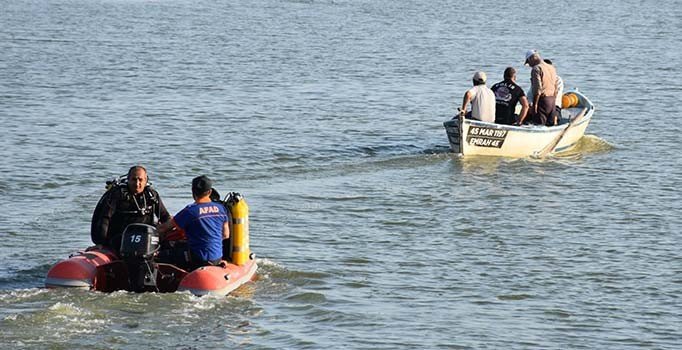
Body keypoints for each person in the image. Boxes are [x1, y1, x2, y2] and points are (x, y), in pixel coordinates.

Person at [91, 165, 171, 256]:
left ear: (146, 181)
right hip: (121, 238)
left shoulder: (152, 196)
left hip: (146, 238)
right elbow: (104, 219)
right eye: (134, 179)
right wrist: (100, 243)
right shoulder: (117, 194)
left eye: (140, 180)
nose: (137, 184)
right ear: (128, 179)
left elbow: (165, 217)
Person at [157, 175, 229, 270]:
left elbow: (163, 228)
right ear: (210, 192)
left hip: (197, 259)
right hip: (217, 258)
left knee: (160, 254)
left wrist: (149, 231)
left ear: (193, 192)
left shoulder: (190, 211)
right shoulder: (221, 209)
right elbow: (226, 235)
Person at [521, 50, 558, 126]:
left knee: (538, 126)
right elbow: (556, 86)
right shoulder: (551, 67)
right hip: (552, 100)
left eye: (528, 62)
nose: (530, 65)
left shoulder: (536, 68)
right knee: (550, 125)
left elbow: (538, 89)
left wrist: (535, 105)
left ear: (532, 58)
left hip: (542, 101)